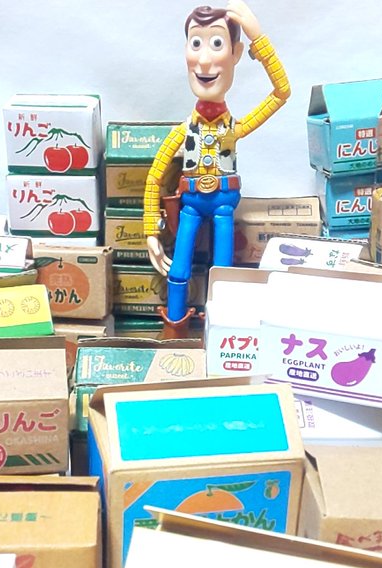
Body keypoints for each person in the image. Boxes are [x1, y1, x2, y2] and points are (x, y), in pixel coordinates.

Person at [143, 0, 290, 338]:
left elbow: (281, 92)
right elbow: (154, 176)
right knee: (179, 270)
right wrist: (151, 230)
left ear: (235, 53)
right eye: (196, 43)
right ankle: (175, 332)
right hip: (191, 204)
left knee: (223, 273)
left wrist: (258, 40)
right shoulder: (184, 131)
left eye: (217, 43)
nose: (205, 60)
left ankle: (221, 336)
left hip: (224, 204)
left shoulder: (234, 128)